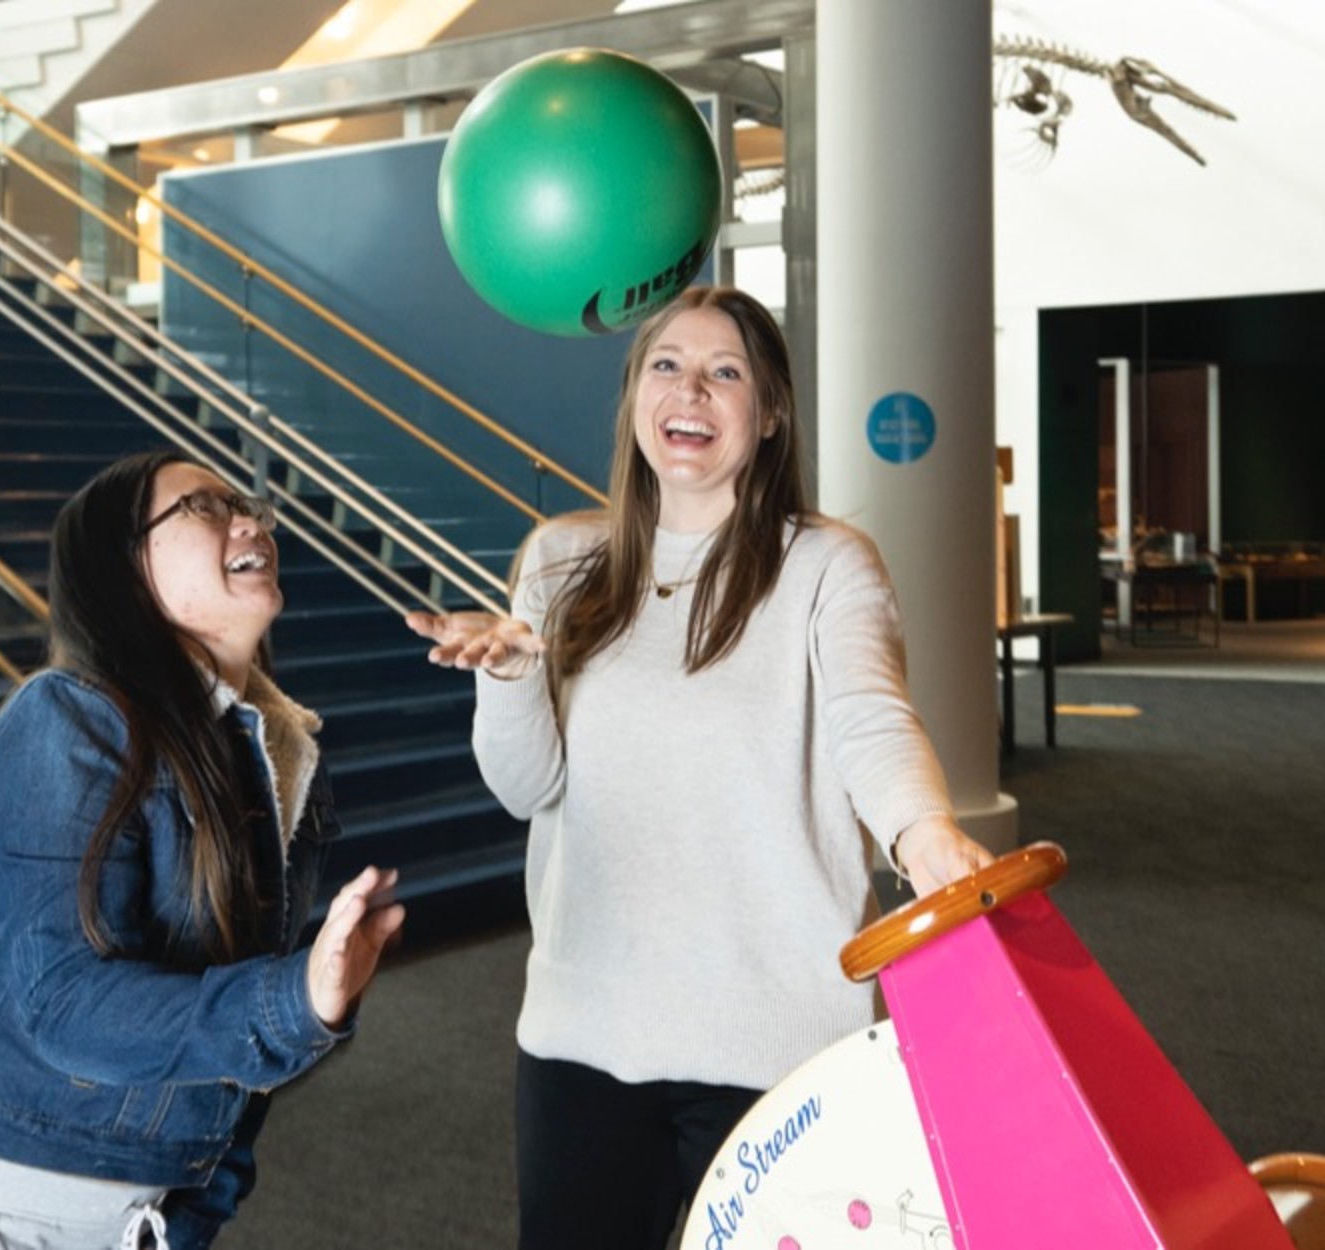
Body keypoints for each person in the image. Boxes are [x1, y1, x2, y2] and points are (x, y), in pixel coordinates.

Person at [405, 286, 995, 1250]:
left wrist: (921, 829)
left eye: (727, 373)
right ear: (636, 394)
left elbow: (868, 717)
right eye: (667, 365)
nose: (693, 391)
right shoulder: (559, 562)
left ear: (768, 417)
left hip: (779, 1049)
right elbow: (527, 789)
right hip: (581, 1035)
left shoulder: (826, 564)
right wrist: (511, 676)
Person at [0, 450, 406, 1250]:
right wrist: (293, 1001)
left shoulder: (277, 754)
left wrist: (200, 1207)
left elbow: (225, 1063)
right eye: (203, 508)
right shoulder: (69, 720)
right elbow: (67, 1004)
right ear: (125, 570)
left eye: (249, 505)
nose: (252, 521)